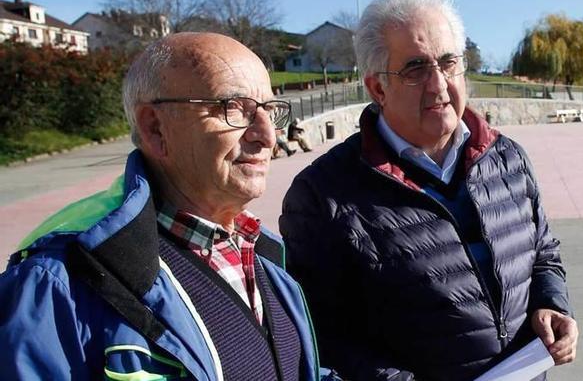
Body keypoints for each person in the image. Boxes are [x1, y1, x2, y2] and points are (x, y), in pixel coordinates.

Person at [0, 32, 339, 381]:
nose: (268, 136)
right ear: (155, 127)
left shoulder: (262, 255)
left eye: (269, 110)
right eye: (234, 108)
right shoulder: (56, 284)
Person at [280, 0, 577, 381]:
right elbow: (323, 337)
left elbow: (543, 254)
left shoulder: (508, 158)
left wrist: (552, 303)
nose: (439, 85)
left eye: (449, 62)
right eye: (416, 69)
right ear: (377, 88)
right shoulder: (322, 195)